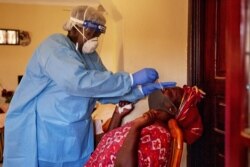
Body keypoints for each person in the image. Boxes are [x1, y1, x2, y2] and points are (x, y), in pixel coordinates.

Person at [3, 5, 176, 167]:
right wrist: (130, 79)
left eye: (98, 35)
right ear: (77, 27)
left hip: (75, 135)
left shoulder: (90, 56)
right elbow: (78, 82)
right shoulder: (54, 46)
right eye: (92, 33)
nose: (95, 39)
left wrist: (138, 91)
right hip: (44, 134)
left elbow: (103, 88)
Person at [85, 85, 205, 167]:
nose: (161, 90)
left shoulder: (159, 136)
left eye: (169, 92)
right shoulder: (149, 123)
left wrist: (135, 128)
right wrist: (118, 115)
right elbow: (111, 144)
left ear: (171, 109)